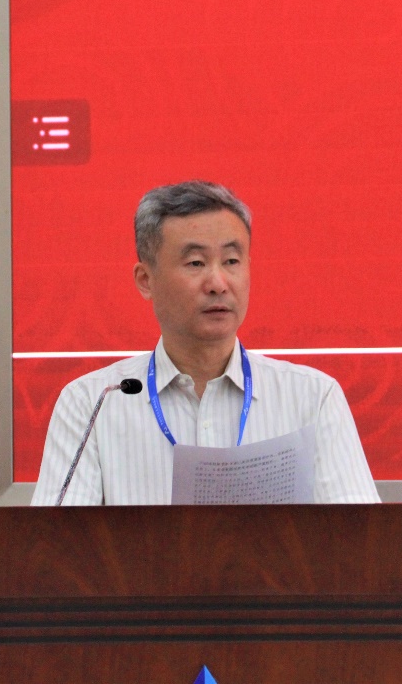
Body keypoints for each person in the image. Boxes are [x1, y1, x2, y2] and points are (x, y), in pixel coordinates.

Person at [32, 180, 380, 506]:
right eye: (196, 263)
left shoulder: (313, 398)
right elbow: (58, 545)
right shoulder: (92, 403)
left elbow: (357, 540)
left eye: (231, 261)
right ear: (146, 280)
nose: (218, 283)